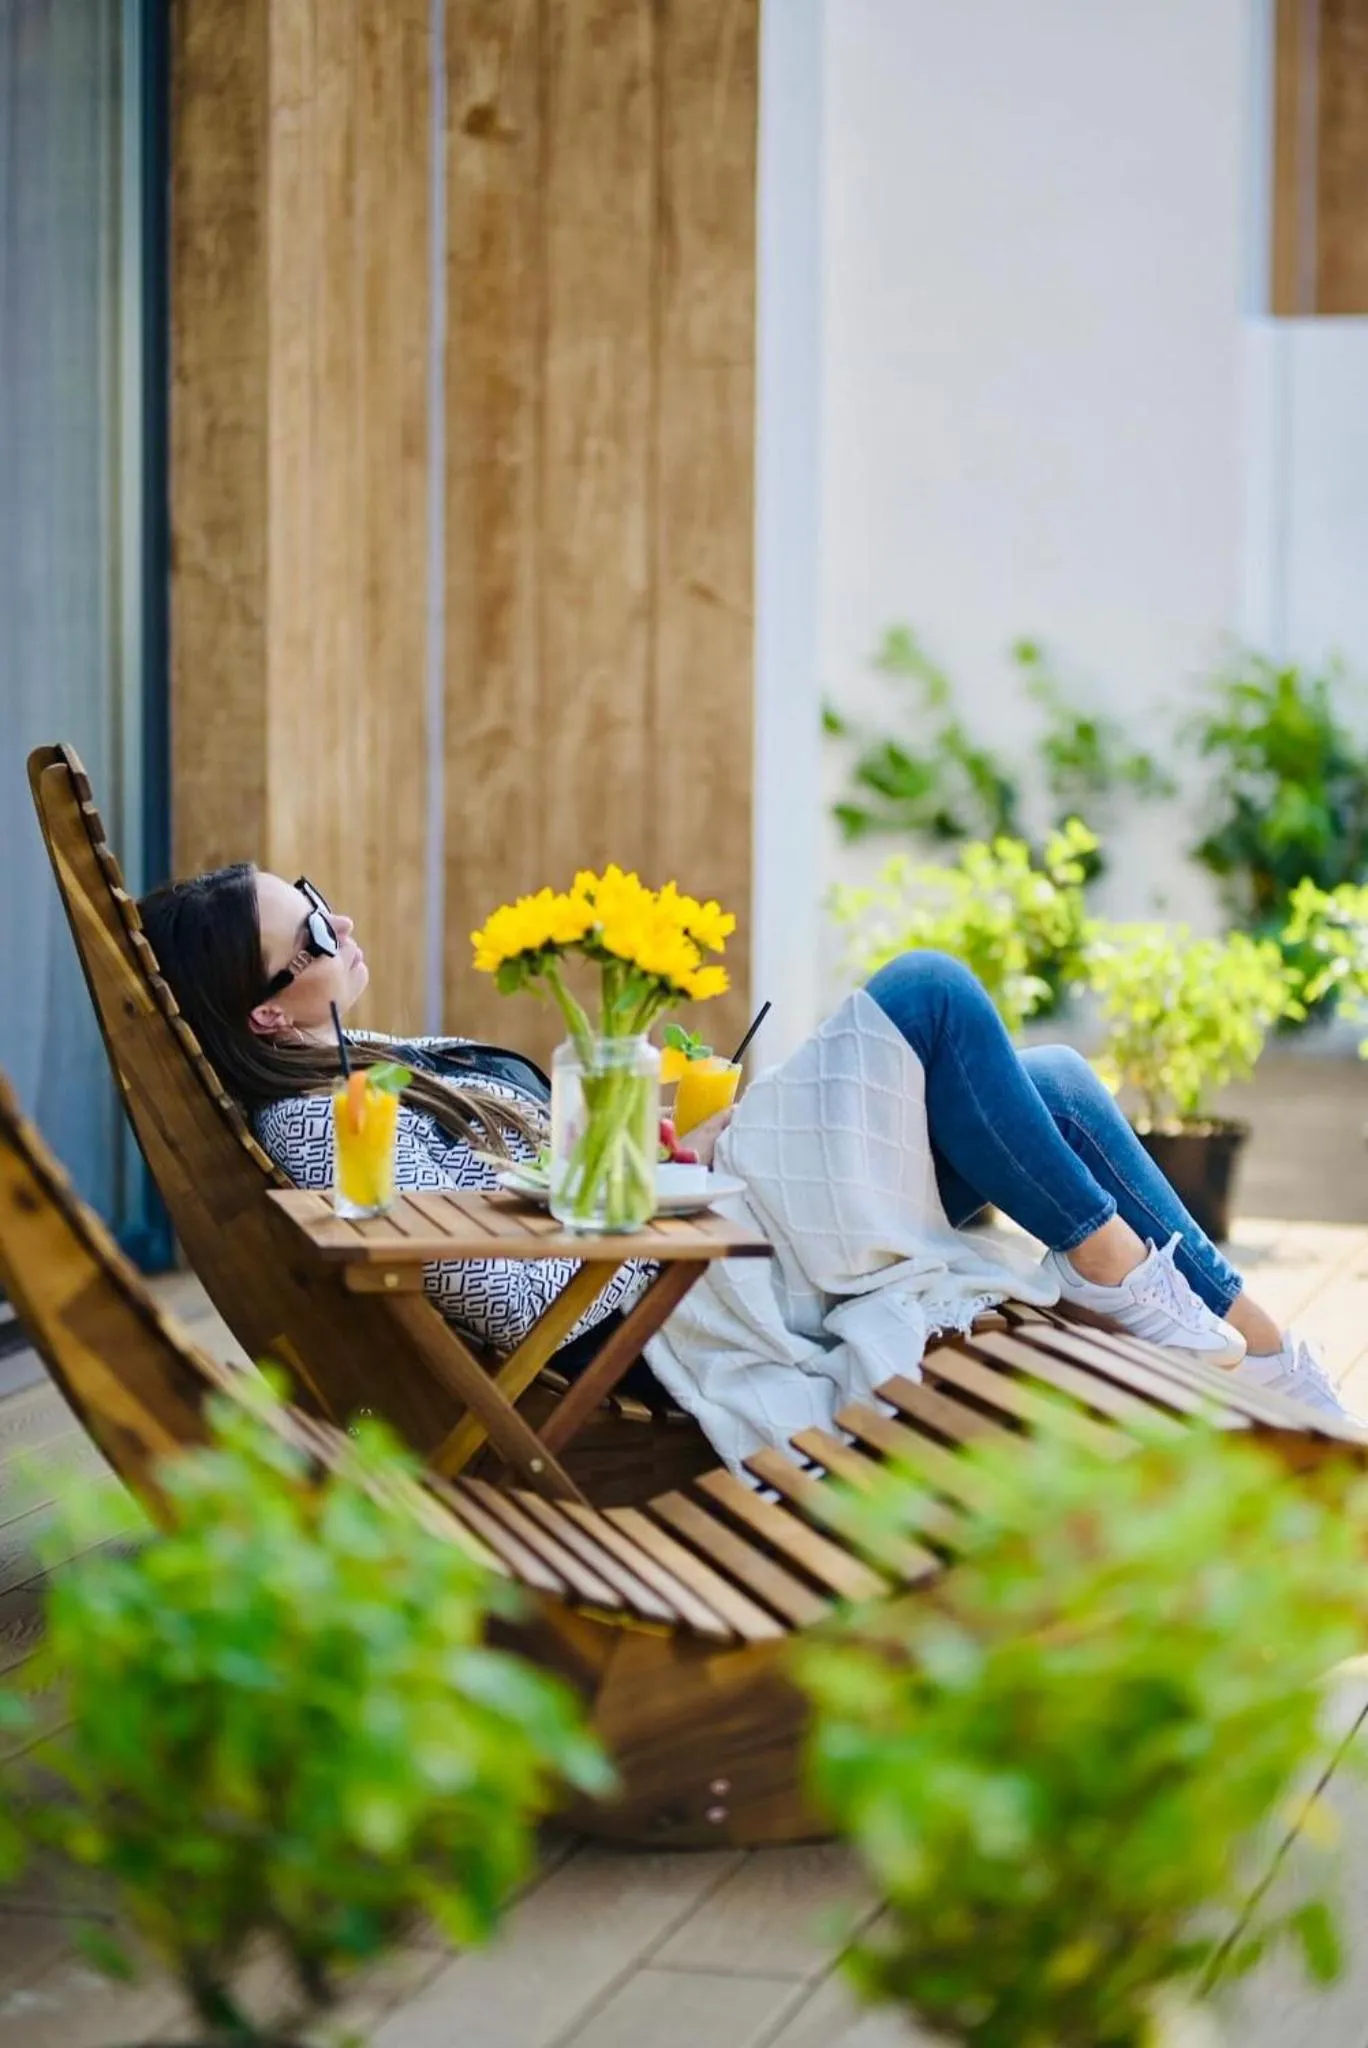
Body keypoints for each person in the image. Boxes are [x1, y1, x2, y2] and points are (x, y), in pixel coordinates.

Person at [137, 865, 1355, 1422]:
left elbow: (521, 1197)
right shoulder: (315, 1121)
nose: (335, 914)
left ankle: (1262, 1351)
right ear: (265, 1010)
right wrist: (649, 1196)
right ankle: (1128, 1287)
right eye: (310, 925)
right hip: (675, 1305)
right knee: (926, 989)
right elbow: (496, 1288)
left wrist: (662, 1145)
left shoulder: (369, 1056)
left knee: (1054, 1076)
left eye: (312, 889)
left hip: (698, 1226)